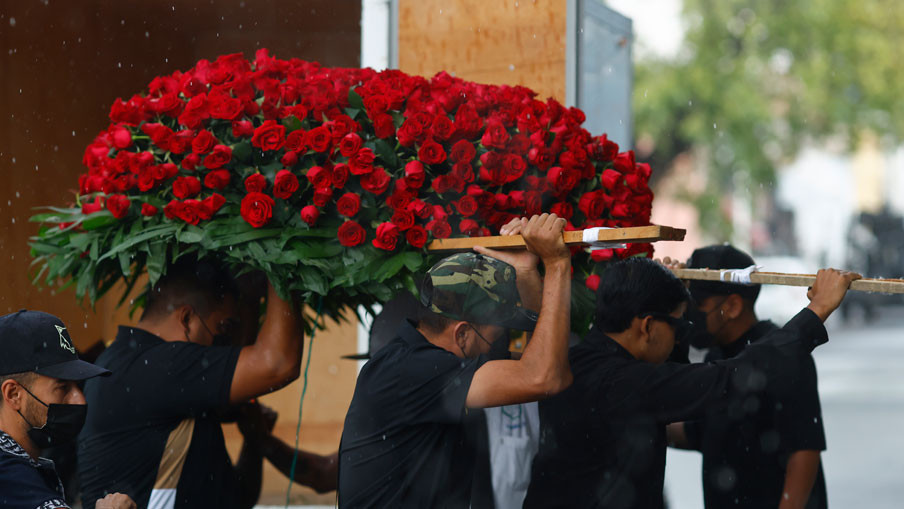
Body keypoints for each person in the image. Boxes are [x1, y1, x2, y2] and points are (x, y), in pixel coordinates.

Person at [523, 257, 859, 509]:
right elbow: (730, 377)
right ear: (647, 326)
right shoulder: (624, 381)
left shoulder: (580, 361)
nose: (681, 337)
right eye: (678, 327)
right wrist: (817, 310)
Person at [338, 213, 573, 508]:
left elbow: (548, 359)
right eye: (496, 337)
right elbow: (544, 377)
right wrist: (557, 264)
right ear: (462, 333)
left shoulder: (422, 359)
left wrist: (526, 272)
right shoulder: (415, 370)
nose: (499, 346)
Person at [77, 257, 303, 509]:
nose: (227, 344)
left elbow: (234, 501)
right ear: (186, 319)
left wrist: (253, 440)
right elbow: (278, 363)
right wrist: (280, 262)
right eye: (223, 328)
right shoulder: (161, 366)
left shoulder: (131, 362)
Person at [668, 245, 829, 508]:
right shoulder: (715, 356)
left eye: (696, 305)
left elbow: (804, 451)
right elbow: (698, 431)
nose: (688, 314)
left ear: (732, 306)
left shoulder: (785, 354)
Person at [0, 310, 135, 509]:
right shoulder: (7, 474)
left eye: (77, 386)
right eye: (62, 387)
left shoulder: (26, 468)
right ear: (13, 394)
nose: (79, 400)